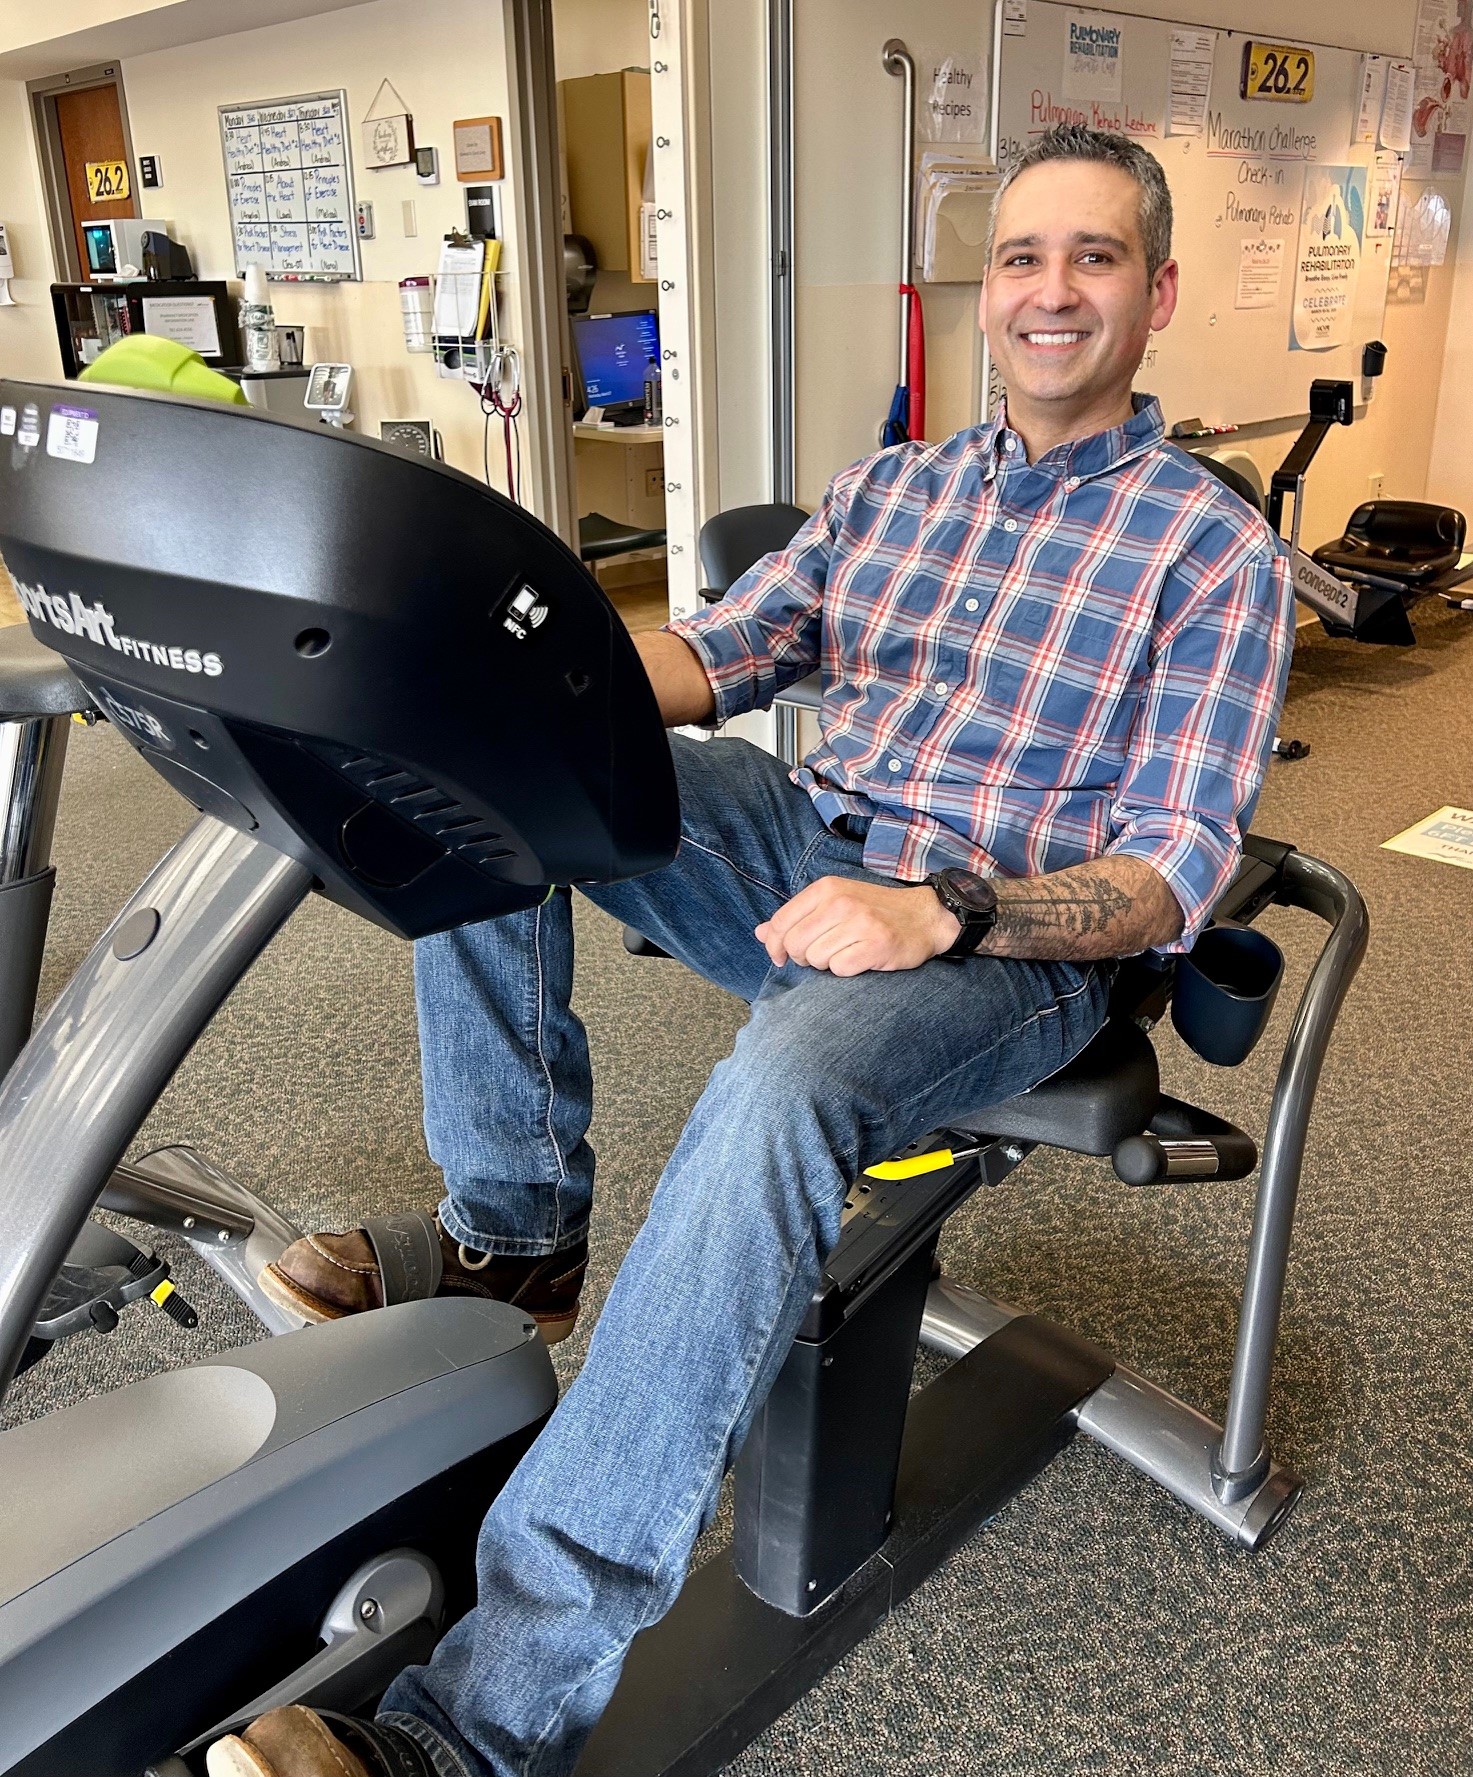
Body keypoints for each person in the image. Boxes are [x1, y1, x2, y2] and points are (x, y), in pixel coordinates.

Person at [207, 123, 1294, 1777]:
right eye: (1020, 257)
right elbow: (713, 654)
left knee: (781, 1081)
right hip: (805, 845)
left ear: (1154, 293)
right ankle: (516, 1236)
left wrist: (949, 908)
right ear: (981, 290)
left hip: (1013, 934)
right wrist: (503, 677)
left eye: (1092, 258)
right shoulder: (895, 489)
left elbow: (1172, 866)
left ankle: (481, 1723)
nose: (1049, 291)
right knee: (506, 781)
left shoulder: (1207, 550)